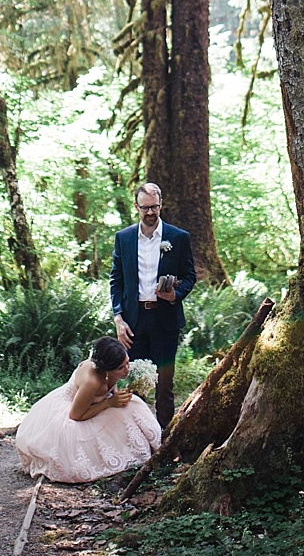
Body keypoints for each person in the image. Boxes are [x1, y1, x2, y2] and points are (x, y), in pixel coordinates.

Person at [14, 335, 161, 483]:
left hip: (95, 403)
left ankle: (154, 444)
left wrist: (117, 396)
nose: (127, 370)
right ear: (106, 368)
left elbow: (112, 383)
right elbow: (75, 415)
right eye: (121, 368)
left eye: (127, 363)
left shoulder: (112, 367)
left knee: (133, 405)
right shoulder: (92, 381)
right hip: (72, 411)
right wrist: (109, 403)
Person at [110, 182, 196, 429]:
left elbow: (190, 276)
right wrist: (118, 318)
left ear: (161, 205)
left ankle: (164, 439)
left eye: (154, 207)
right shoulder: (124, 238)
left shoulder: (178, 238)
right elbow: (116, 280)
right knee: (135, 380)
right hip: (134, 321)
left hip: (165, 319)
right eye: (145, 207)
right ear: (136, 207)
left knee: (165, 382)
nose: (150, 212)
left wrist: (175, 295)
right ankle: (138, 437)